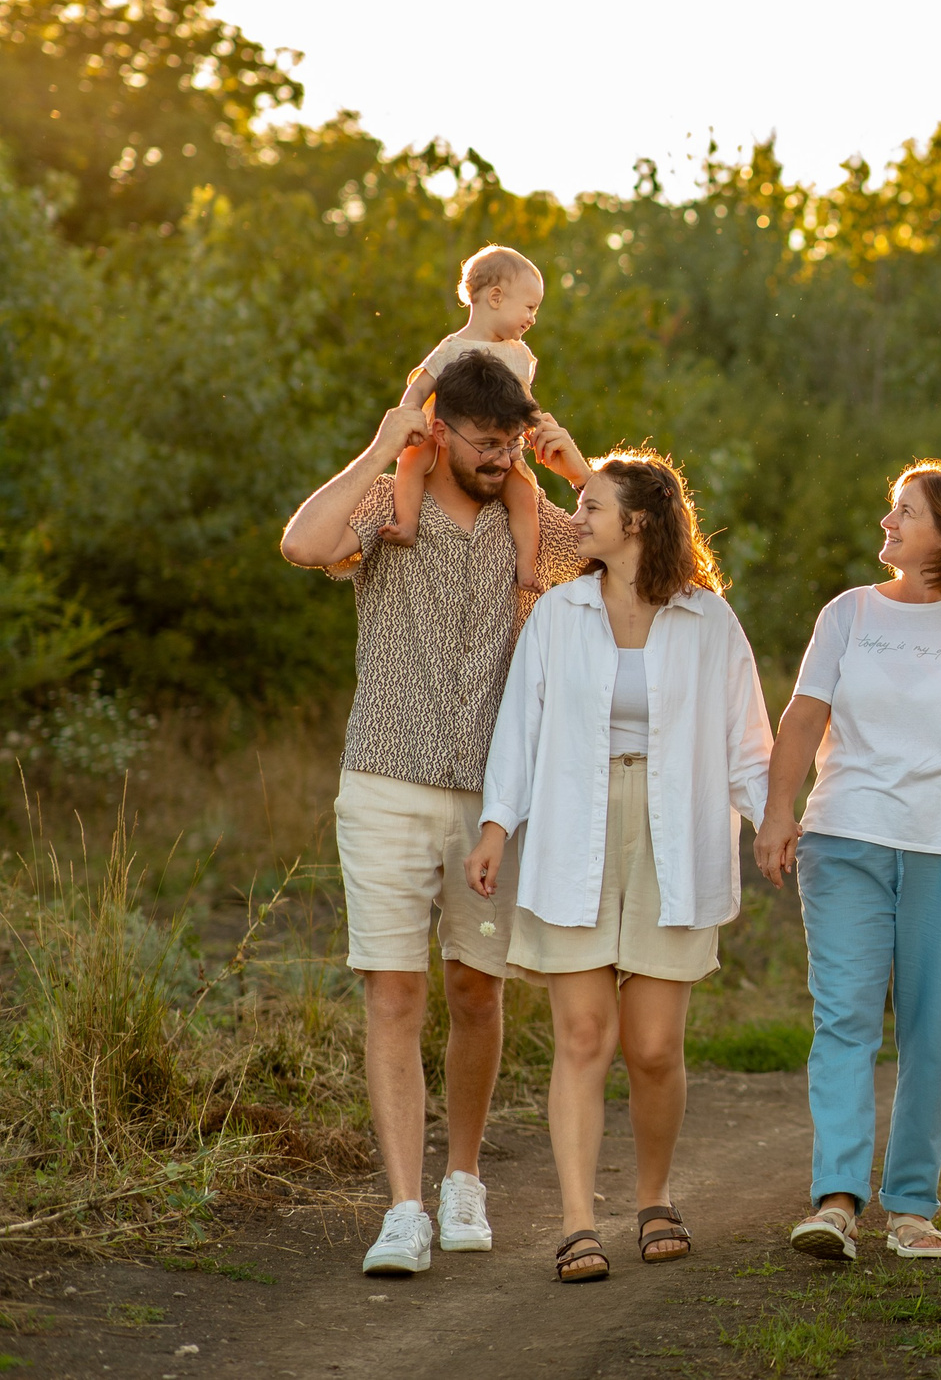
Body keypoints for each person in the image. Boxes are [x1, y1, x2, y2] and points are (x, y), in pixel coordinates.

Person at [277, 350, 593, 1277]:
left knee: (475, 990)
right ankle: (404, 1206)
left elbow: (653, 555)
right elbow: (301, 544)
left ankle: (464, 1178)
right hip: (382, 778)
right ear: (440, 429)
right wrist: (382, 444)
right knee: (394, 990)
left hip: (495, 799)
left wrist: (577, 471)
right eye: (485, 443)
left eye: (511, 445)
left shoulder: (535, 522)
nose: (500, 459)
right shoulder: (389, 504)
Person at [465, 451, 773, 1283]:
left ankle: (653, 1195)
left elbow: (748, 736)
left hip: (679, 828)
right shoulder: (559, 615)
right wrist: (497, 825)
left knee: (654, 1046)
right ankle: (575, 1220)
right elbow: (519, 730)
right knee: (585, 1035)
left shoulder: (708, 619)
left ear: (637, 521)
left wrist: (779, 823)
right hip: (574, 824)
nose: (578, 517)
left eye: (591, 504)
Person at [753, 462, 941, 1263]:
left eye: (903, 512)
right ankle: (836, 1199)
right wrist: (780, 813)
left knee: (930, 1033)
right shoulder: (848, 613)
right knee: (842, 1018)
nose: (888, 522)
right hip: (845, 835)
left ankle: (912, 1205)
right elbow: (803, 719)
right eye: (891, 509)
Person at [380, 245, 551, 594]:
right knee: (411, 461)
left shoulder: (519, 356)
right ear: (496, 297)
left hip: (503, 443)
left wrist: (538, 428)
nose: (533, 318)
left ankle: (526, 563)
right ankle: (408, 522)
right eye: (530, 307)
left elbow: (525, 403)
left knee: (523, 494)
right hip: (444, 435)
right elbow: (421, 385)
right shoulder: (452, 347)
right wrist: (409, 418)